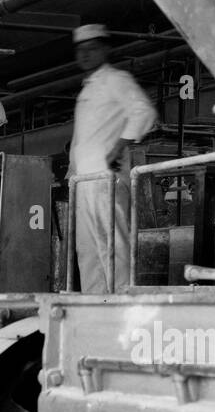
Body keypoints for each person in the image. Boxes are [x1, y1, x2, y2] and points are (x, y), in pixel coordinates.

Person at [68, 24, 158, 293]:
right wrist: (71, 175)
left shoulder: (116, 79)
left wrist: (119, 147)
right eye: (81, 50)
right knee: (88, 250)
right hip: (84, 180)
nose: (85, 55)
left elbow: (144, 112)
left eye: (92, 49)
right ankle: (94, 304)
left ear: (106, 50)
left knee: (112, 244)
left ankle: (120, 300)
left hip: (105, 178)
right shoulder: (88, 89)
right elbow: (82, 139)